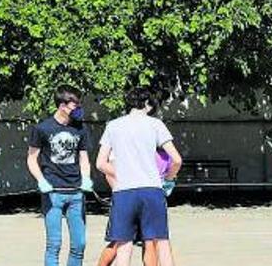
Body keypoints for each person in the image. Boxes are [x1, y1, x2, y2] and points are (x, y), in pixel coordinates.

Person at [96, 88, 182, 266]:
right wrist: (168, 178)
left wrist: (123, 173)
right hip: (151, 189)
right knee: (161, 242)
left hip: (124, 192)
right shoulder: (156, 124)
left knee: (123, 247)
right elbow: (176, 160)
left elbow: (100, 163)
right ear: (148, 104)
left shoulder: (113, 125)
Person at [27, 85, 93, 266]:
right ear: (62, 105)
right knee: (54, 244)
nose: (78, 109)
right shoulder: (42, 128)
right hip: (53, 193)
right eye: (75, 105)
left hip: (76, 193)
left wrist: (86, 178)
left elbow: (84, 158)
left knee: (79, 244)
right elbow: (32, 159)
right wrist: (41, 180)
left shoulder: (80, 129)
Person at [97, 149, 173, 266]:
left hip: (144, 198)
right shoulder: (124, 144)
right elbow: (109, 173)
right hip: (130, 197)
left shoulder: (160, 152)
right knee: (119, 242)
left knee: (149, 241)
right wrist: (118, 192)